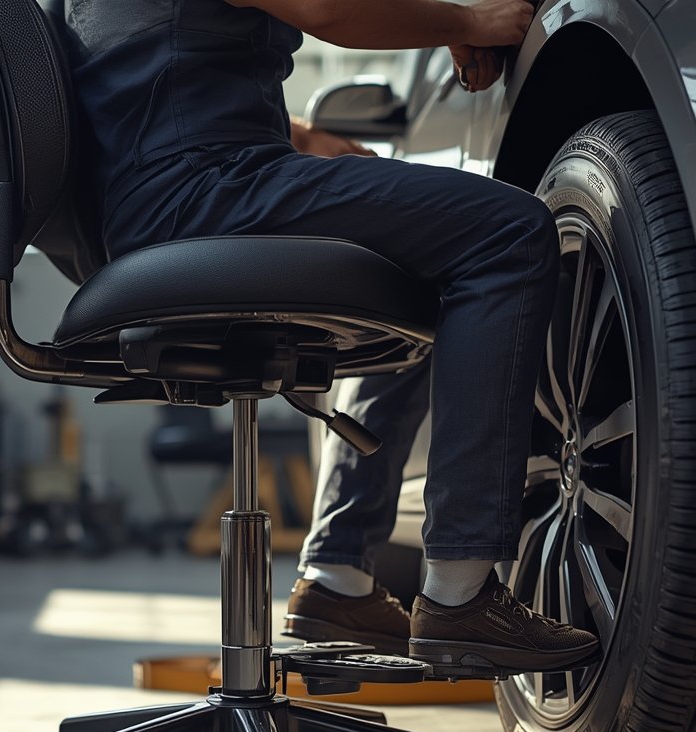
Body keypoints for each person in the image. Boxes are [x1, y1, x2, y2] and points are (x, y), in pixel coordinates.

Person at [64, 0, 599, 674]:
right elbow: (327, 8)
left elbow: (139, 74)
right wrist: (464, 20)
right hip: (206, 189)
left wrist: (294, 133)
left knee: (417, 262)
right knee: (508, 233)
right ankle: (461, 595)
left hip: (171, 195)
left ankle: (338, 575)